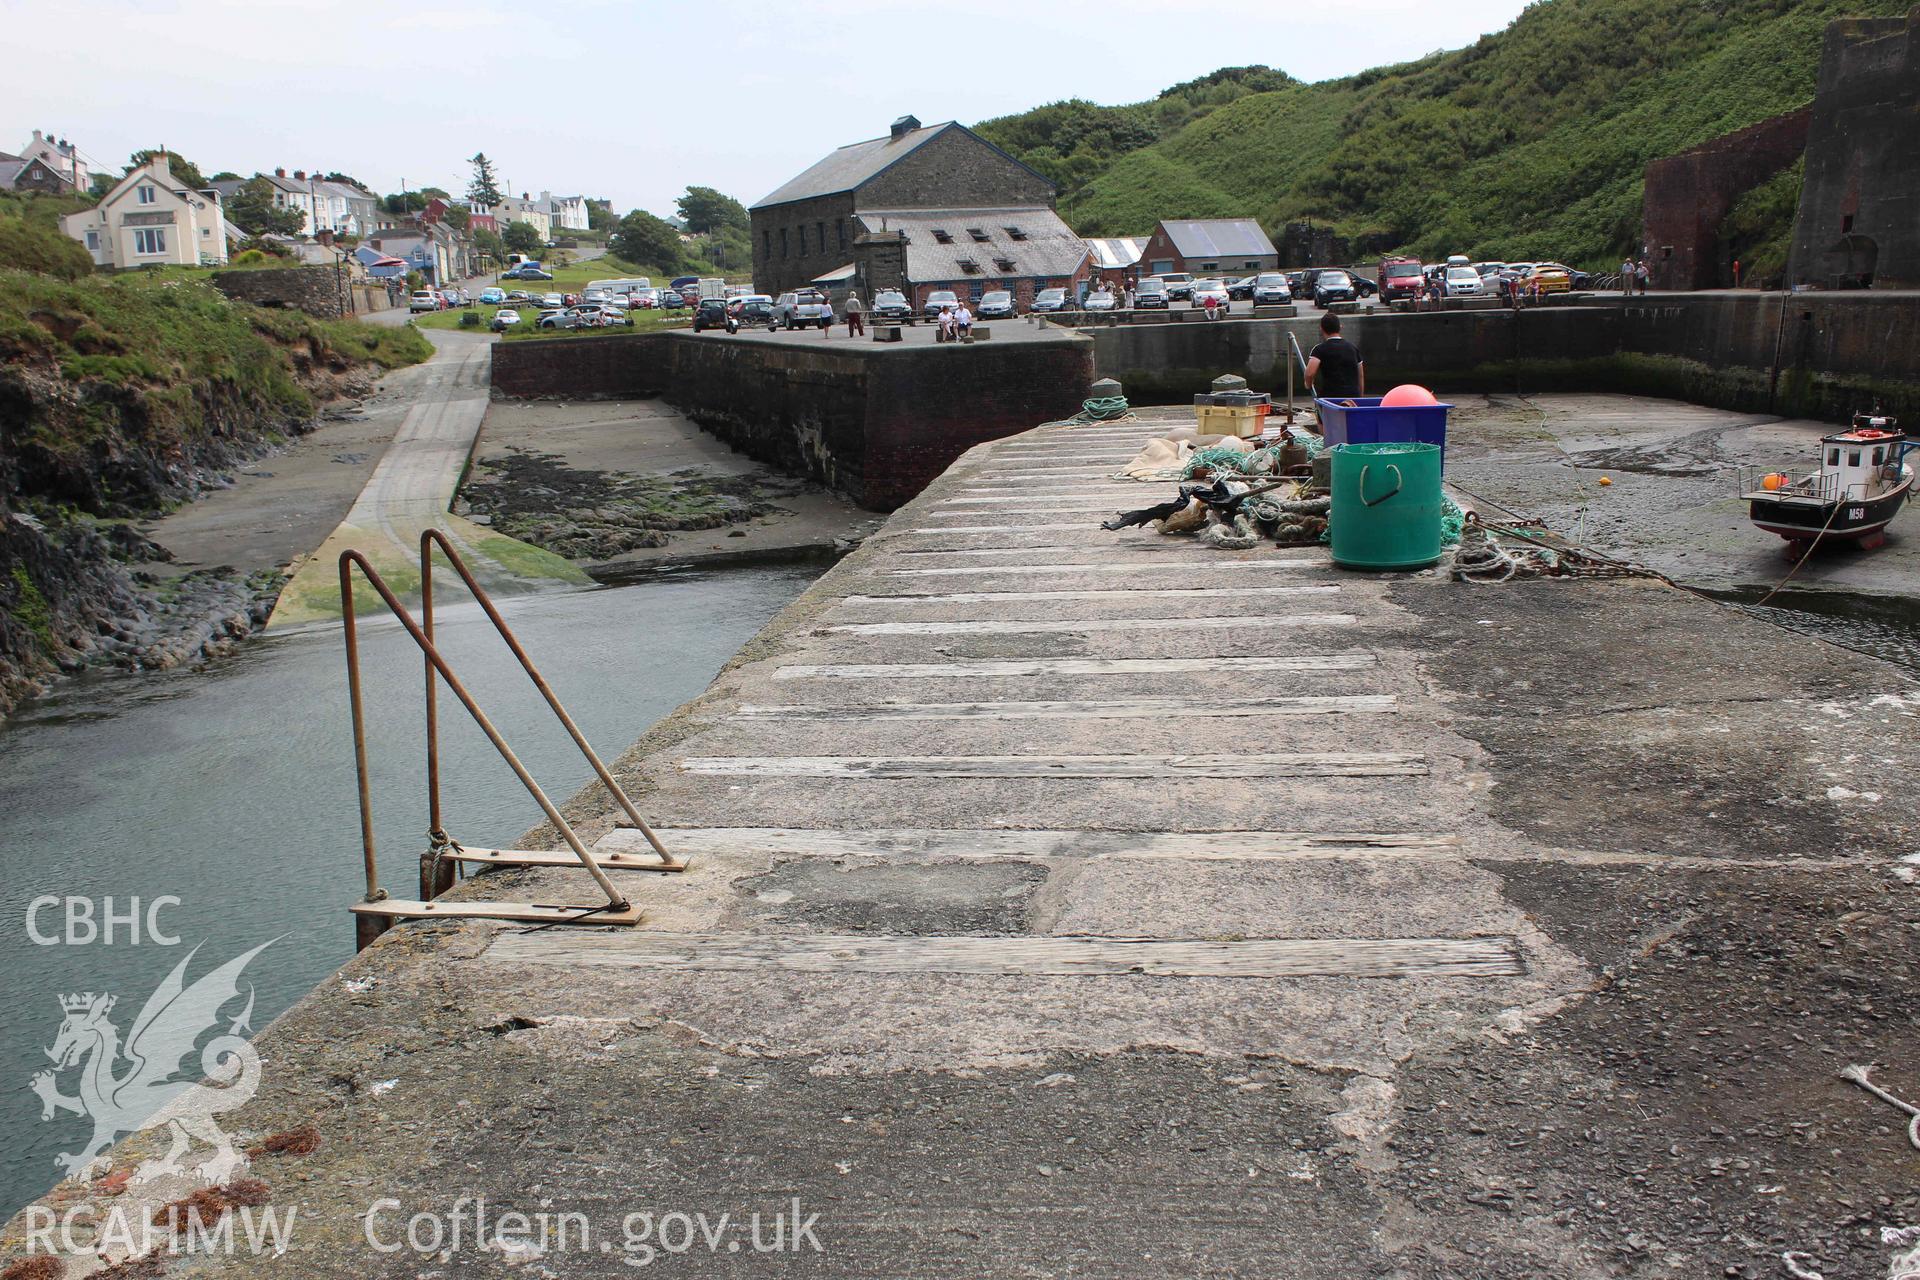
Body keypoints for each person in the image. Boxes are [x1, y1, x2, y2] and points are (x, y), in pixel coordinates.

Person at [1304, 312, 1364, 405]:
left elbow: (1309, 373)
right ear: (1340, 327)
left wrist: (1308, 384)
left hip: (1330, 399)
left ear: (1322, 329)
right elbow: (1360, 376)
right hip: (1352, 398)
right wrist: (1360, 399)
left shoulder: (1319, 349)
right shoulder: (1353, 348)